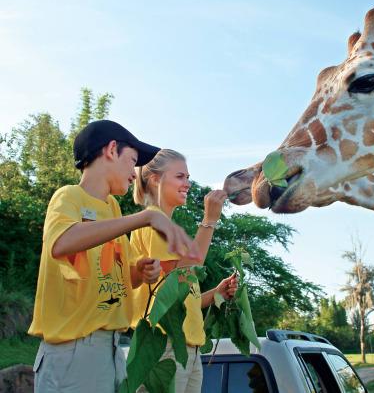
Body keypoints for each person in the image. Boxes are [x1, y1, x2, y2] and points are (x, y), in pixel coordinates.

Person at [28, 120, 200, 393]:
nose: (135, 174)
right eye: (132, 161)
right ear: (110, 150)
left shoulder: (113, 210)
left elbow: (121, 278)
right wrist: (144, 217)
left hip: (111, 349)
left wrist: (140, 272)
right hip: (74, 352)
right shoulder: (69, 197)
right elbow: (61, 243)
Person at [131, 148, 237, 393]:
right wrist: (209, 219)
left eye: (188, 177)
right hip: (165, 346)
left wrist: (216, 293)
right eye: (180, 176)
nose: (188, 184)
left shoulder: (168, 225)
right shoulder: (153, 220)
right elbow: (190, 265)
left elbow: (177, 297)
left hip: (187, 348)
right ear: (156, 179)